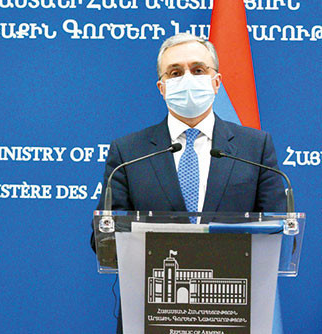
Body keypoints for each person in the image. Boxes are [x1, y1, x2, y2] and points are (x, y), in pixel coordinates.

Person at [94, 32, 286, 333]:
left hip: (232, 316)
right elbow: (103, 240)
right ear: (162, 87)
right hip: (152, 316)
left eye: (198, 70)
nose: (187, 78)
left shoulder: (255, 148)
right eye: (175, 72)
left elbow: (278, 231)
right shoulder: (129, 152)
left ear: (216, 82)